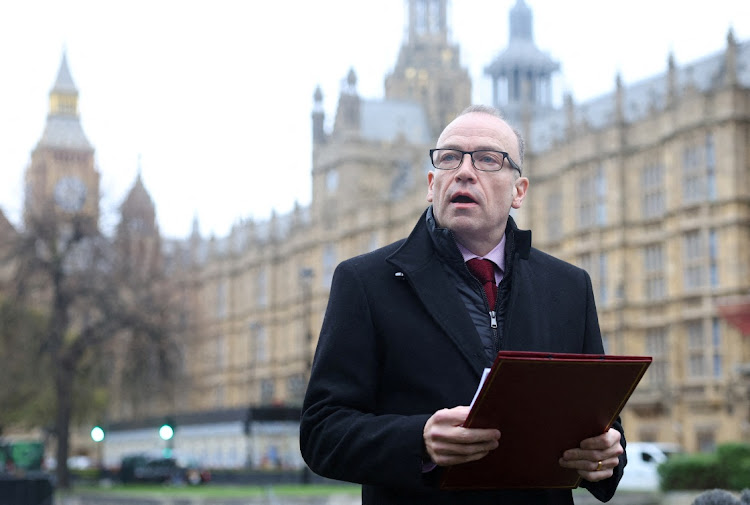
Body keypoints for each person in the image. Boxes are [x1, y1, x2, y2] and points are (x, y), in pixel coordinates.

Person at [300, 104, 626, 504]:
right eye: (450, 157)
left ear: (518, 191)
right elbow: (321, 432)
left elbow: (601, 423)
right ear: (431, 183)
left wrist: (606, 455)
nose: (465, 171)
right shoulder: (366, 282)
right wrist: (417, 439)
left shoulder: (569, 286)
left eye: (488, 159)